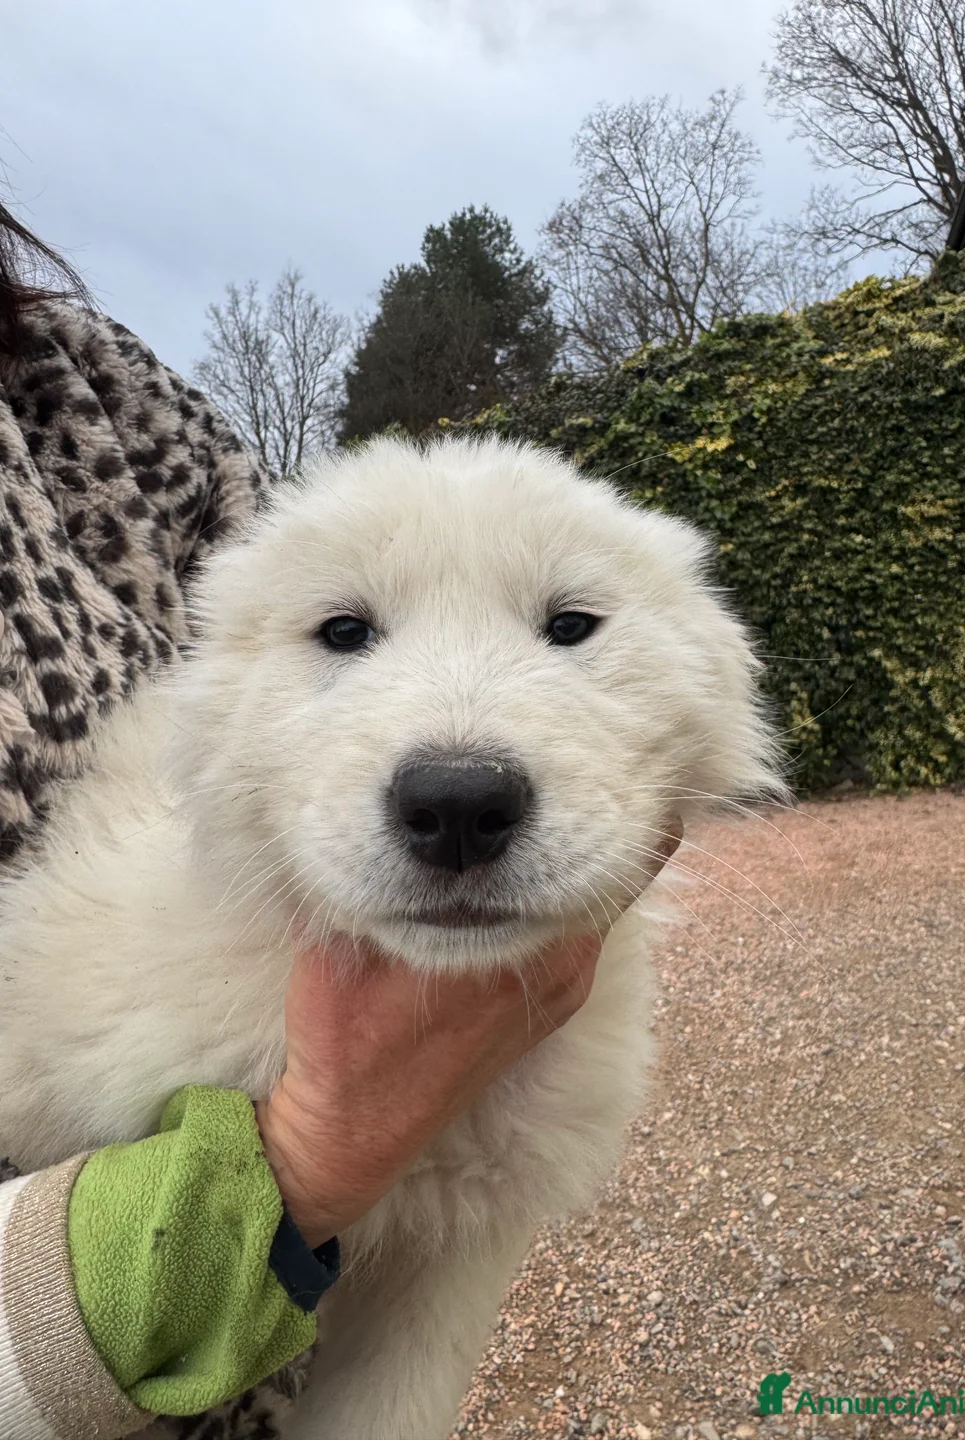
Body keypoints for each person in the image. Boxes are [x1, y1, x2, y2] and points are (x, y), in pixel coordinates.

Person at [0, 201, 679, 1438]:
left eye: (570, 624)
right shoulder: (112, 993)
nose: (461, 770)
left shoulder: (87, 388)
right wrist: (310, 1149)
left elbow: (450, 1268)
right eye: (348, 633)